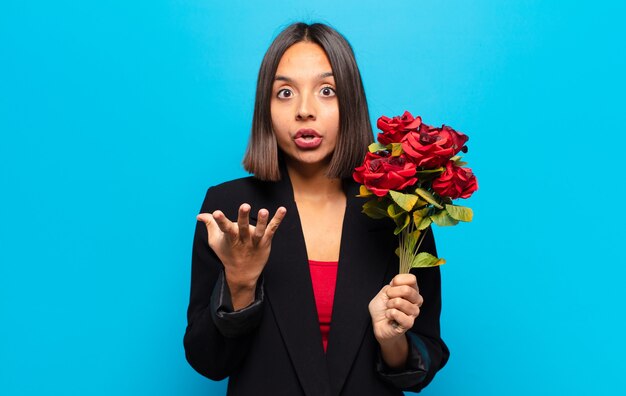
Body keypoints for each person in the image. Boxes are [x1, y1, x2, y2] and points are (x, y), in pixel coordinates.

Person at [184, 22, 449, 395]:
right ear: (266, 107)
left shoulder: (401, 211)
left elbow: (425, 355)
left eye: (327, 91)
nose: (304, 110)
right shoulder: (229, 211)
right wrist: (240, 283)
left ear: (350, 102)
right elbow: (207, 361)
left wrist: (392, 339)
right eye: (285, 92)